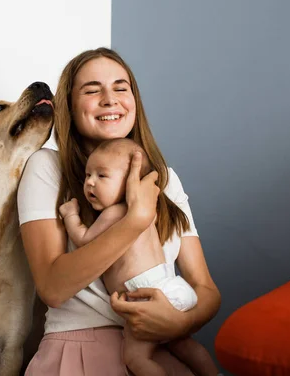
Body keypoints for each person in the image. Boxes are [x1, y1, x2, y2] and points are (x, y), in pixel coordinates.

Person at [18, 47, 221, 375]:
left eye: (120, 87)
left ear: (134, 101)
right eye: (92, 89)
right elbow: (53, 288)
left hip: (161, 343)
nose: (109, 99)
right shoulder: (47, 167)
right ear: (69, 105)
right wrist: (135, 220)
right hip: (79, 348)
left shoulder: (164, 179)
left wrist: (178, 323)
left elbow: (206, 289)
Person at [59, 138, 219, 376]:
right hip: (172, 287)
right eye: (88, 175)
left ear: (129, 183)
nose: (90, 182)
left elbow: (84, 239)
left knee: (134, 358)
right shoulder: (150, 211)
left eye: (102, 176)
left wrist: (70, 214)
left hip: (145, 295)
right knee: (183, 345)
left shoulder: (115, 213)